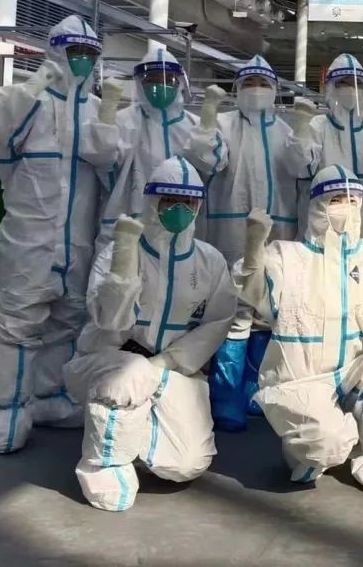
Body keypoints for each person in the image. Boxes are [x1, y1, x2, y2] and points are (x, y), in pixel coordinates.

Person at [0, 15, 122, 454]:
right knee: (15, 327)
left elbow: (113, 174)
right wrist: (35, 84)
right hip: (29, 240)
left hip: (78, 241)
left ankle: (49, 398)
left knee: (68, 323)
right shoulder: (25, 101)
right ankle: (7, 409)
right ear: (56, 52)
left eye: (90, 54)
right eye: (75, 52)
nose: (82, 61)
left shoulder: (99, 112)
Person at [63, 157, 237, 511]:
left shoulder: (209, 261)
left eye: (188, 202)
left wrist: (168, 361)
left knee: (187, 463)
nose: (179, 210)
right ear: (151, 200)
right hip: (108, 362)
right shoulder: (117, 253)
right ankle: (104, 466)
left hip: (172, 369)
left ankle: (133, 431)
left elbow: (219, 320)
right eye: (169, 200)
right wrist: (124, 263)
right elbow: (108, 320)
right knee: (131, 375)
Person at [234, 165, 363, 496]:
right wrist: (253, 248)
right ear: (317, 205)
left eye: (352, 200)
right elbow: (254, 295)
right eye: (336, 200)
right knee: (326, 445)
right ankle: (320, 441)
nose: (345, 208)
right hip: (305, 378)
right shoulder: (288, 257)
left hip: (355, 369)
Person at [181, 55, 312, 432]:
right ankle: (226, 395)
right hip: (230, 234)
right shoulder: (222, 125)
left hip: (278, 234)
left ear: (275, 90)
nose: (256, 89)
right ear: (237, 90)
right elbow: (206, 159)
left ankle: (259, 386)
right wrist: (208, 114)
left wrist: (302, 128)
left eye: (263, 83)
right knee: (231, 311)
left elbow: (303, 167)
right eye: (249, 82)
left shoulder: (287, 131)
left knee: (271, 308)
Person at [97, 46, 200, 249]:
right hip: (128, 222)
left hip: (180, 220)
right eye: (152, 79)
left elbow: (212, 166)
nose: (160, 85)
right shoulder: (122, 121)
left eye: (168, 79)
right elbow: (104, 164)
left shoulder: (194, 127)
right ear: (140, 83)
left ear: (179, 83)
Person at [291, 53, 363, 245]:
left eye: (357, 84)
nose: (351, 89)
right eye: (343, 83)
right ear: (331, 87)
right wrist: (301, 127)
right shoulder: (318, 126)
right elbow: (300, 168)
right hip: (322, 227)